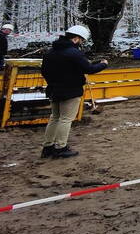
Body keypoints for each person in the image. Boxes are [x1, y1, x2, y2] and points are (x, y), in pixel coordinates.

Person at [40, 25, 107, 159]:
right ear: (76, 39)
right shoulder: (74, 53)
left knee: (55, 118)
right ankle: (60, 147)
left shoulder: (50, 52)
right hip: (70, 91)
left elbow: (44, 71)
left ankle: (48, 147)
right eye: (81, 40)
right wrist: (103, 64)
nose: (81, 43)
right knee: (66, 119)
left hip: (54, 89)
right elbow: (89, 68)